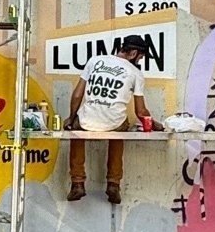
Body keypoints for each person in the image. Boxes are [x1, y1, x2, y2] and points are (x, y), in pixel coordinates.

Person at [65, 34, 154, 205]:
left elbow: (77, 95)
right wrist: (155, 125)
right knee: (120, 131)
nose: (140, 61)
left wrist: (71, 117)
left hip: (87, 120)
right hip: (114, 123)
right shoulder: (136, 73)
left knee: (76, 131)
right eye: (141, 57)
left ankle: (77, 182)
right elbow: (141, 112)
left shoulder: (94, 61)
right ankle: (113, 184)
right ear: (134, 53)